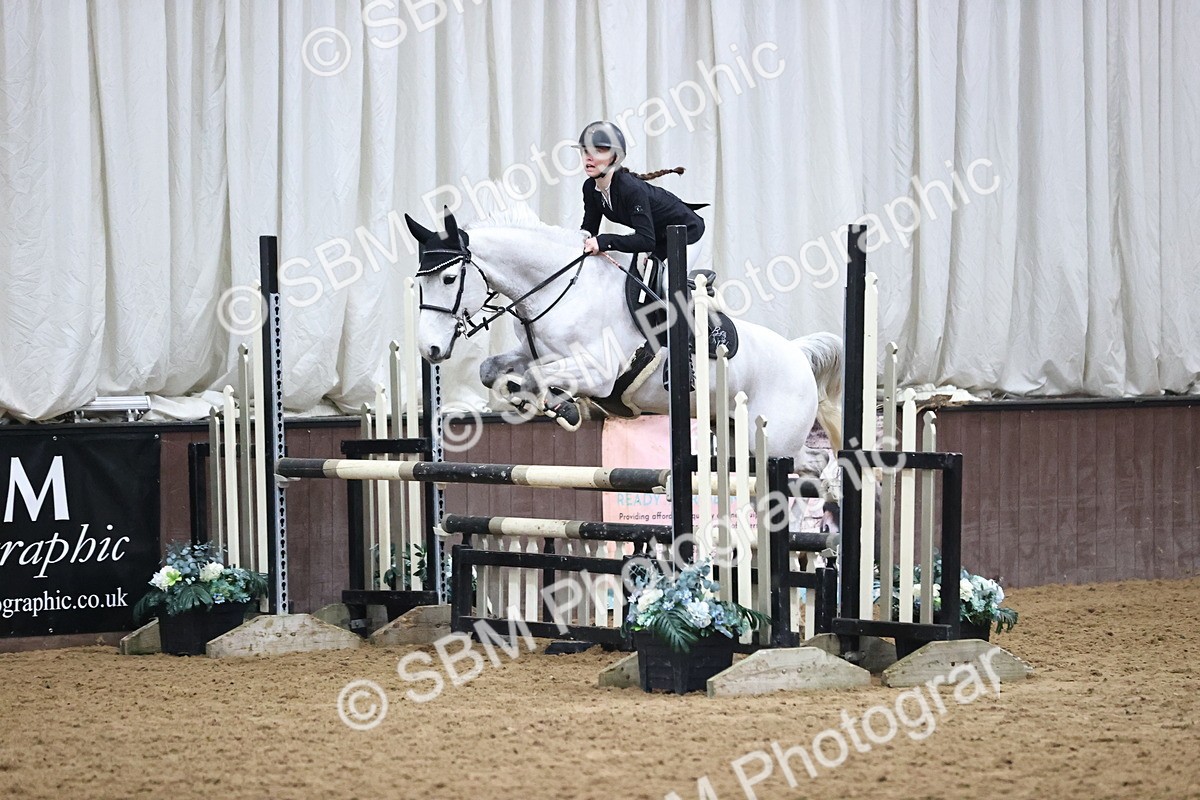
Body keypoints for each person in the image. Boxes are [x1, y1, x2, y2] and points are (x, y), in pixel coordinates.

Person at [577, 121, 706, 267]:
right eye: (585, 151)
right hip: (657, 236)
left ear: (615, 158)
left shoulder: (630, 189)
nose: (589, 157)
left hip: (686, 232)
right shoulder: (590, 188)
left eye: (598, 151)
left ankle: (687, 289)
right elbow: (588, 230)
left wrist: (605, 241)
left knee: (666, 284)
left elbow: (646, 240)